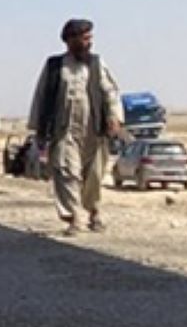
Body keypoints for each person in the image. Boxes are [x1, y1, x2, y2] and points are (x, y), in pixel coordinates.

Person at [28, 18, 122, 235]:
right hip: (64, 130)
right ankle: (75, 217)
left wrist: (114, 117)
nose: (90, 42)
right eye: (85, 38)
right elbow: (41, 96)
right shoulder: (54, 66)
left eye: (91, 37)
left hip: (94, 129)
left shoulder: (97, 64)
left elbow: (110, 92)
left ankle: (93, 211)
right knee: (66, 171)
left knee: (94, 175)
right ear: (71, 40)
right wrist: (39, 128)